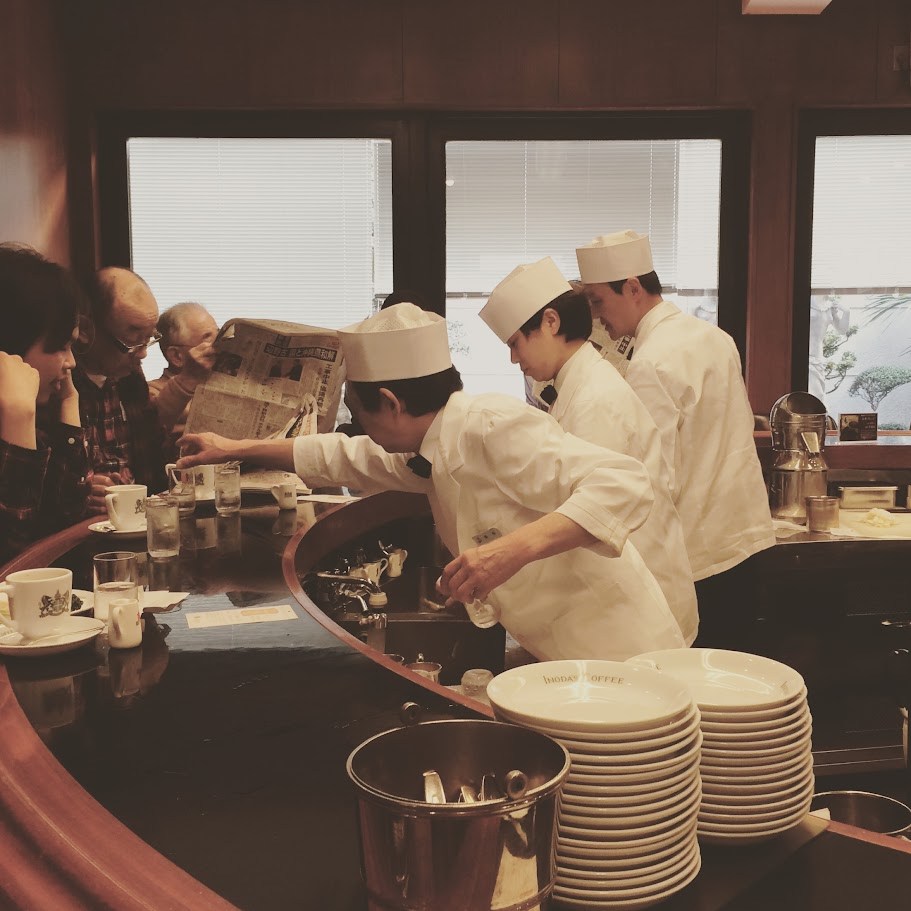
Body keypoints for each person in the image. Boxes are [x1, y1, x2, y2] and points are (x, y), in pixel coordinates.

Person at [177, 302, 684, 662]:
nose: (357, 427)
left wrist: (508, 552)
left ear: (391, 404)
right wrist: (233, 448)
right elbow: (345, 455)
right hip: (562, 648)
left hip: (620, 648)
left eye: (357, 413)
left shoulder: (490, 424)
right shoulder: (427, 446)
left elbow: (623, 482)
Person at [480, 256, 698, 644]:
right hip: (625, 597)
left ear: (551, 322)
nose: (514, 359)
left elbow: (589, 512)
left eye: (515, 343)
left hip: (645, 603)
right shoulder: (577, 385)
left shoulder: (596, 399)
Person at [576, 231, 775, 644]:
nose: (596, 317)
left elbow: (654, 476)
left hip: (701, 555)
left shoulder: (650, 362)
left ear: (633, 288)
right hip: (745, 539)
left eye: (598, 301)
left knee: (700, 676)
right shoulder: (715, 338)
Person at [0, 244, 91, 564]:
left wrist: (69, 401)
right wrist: (17, 416)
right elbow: (14, 560)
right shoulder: (17, 413)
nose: (71, 362)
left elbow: (67, 514)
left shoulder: (38, 418)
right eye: (60, 346)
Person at [73, 267, 173, 511]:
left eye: (149, 339)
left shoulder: (130, 378)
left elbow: (153, 456)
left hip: (139, 516)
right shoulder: (59, 386)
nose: (143, 353)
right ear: (85, 330)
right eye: (131, 343)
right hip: (88, 525)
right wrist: (78, 490)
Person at [149, 301, 219, 445]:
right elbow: (152, 425)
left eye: (219, 335)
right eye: (207, 338)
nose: (219, 346)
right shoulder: (151, 392)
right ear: (177, 356)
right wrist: (189, 378)